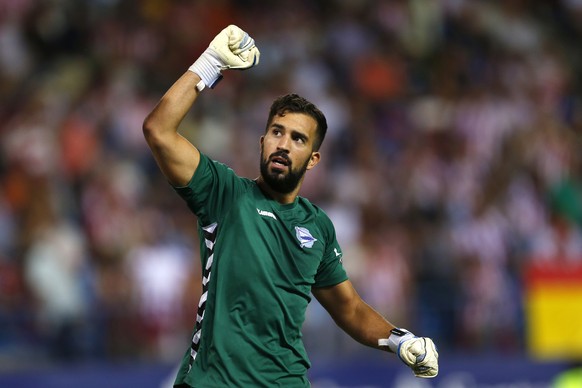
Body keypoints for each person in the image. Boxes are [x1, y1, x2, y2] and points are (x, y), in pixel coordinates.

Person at [143, 24, 438, 387]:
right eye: (277, 132)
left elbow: (350, 309)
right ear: (262, 140)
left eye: (297, 138)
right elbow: (159, 130)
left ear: (313, 159)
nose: (283, 144)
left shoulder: (317, 227)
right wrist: (211, 63)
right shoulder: (224, 194)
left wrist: (400, 340)